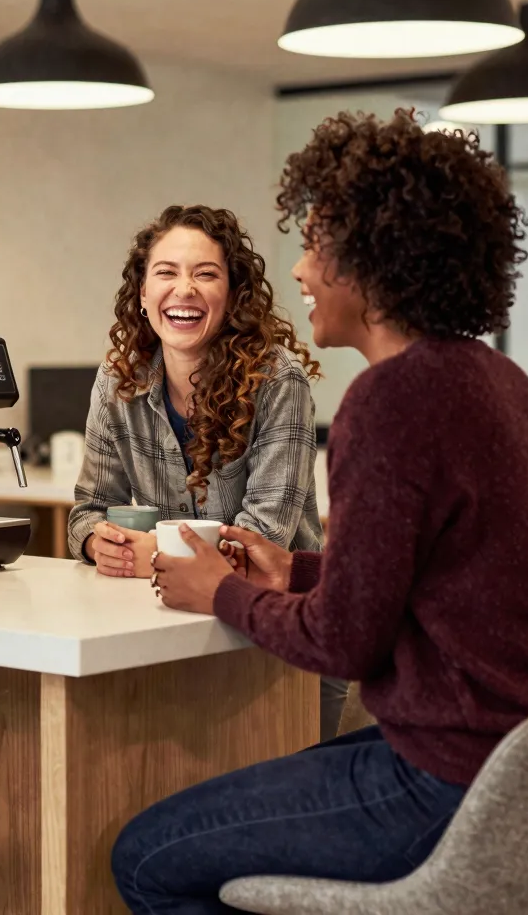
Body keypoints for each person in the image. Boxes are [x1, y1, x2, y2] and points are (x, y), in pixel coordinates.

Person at [111, 111, 528, 915]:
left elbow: (343, 642)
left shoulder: (389, 400)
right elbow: (446, 578)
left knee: (145, 857)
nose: (300, 269)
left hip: (450, 779)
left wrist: (221, 592)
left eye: (315, 245)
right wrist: (297, 569)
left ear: (371, 260)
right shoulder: (501, 381)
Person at [67, 205, 344, 737]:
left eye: (206, 274)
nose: (184, 289)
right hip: (163, 632)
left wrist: (154, 555)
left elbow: (264, 539)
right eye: (166, 272)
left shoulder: (278, 379)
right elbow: (88, 510)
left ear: (233, 295)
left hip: (280, 644)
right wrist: (97, 542)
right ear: (142, 293)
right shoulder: (117, 380)